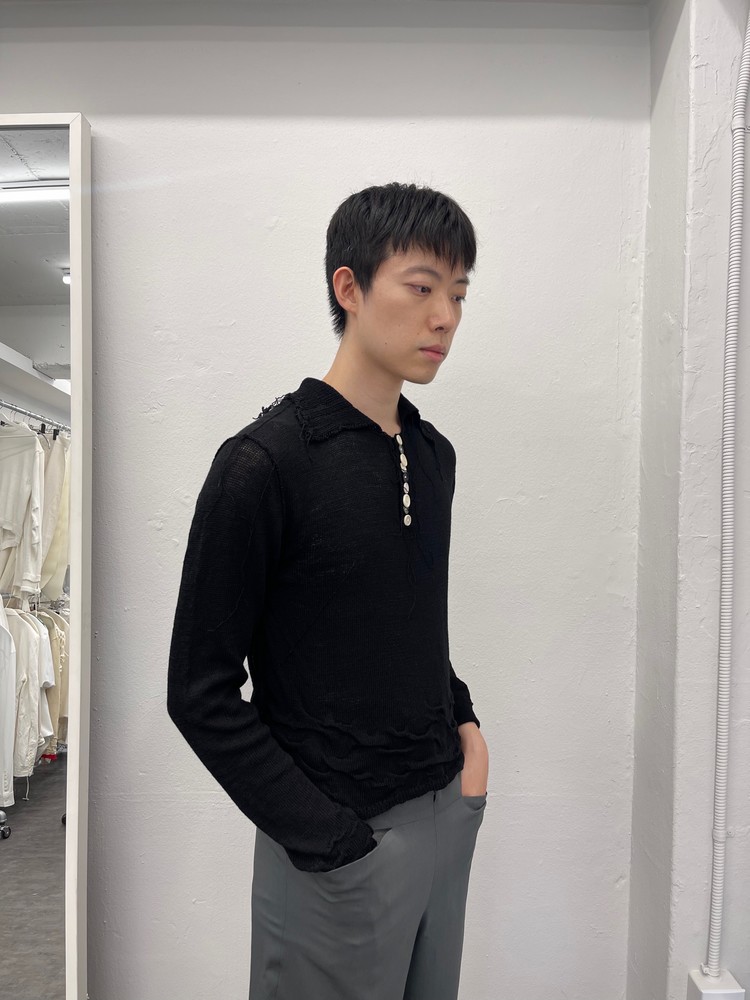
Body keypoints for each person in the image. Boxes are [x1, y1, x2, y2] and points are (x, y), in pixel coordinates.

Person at [167, 181, 490, 1000]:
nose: (445, 317)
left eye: (458, 294)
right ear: (350, 287)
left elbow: (408, 625)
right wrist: (328, 838)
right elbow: (199, 691)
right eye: (422, 287)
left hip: (445, 811)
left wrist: (466, 732)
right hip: (335, 849)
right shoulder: (265, 463)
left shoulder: (434, 455)